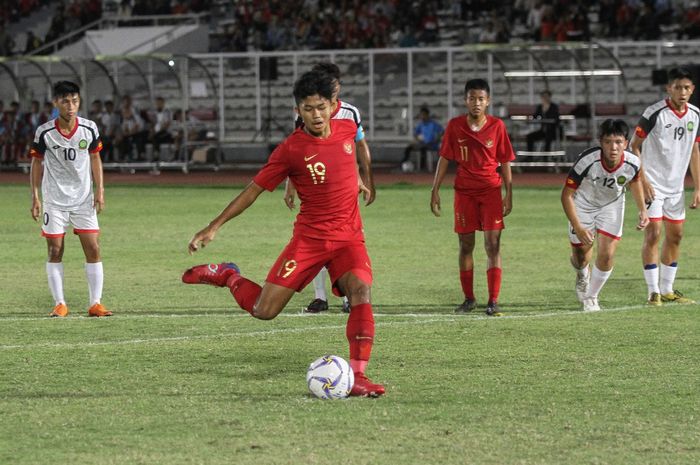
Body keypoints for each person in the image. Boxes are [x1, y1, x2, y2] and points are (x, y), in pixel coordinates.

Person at [182, 70, 384, 397]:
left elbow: (349, 161)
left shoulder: (348, 129)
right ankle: (228, 275)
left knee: (361, 292)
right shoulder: (291, 149)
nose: (315, 115)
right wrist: (214, 226)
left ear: (334, 105)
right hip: (310, 240)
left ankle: (358, 376)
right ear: (297, 111)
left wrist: (358, 178)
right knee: (264, 310)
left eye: (321, 107)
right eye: (307, 109)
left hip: (349, 238)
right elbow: (253, 190)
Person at [284, 62, 376, 314]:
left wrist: (365, 178)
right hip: (315, 186)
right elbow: (297, 152)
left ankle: (348, 296)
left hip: (344, 188)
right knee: (319, 239)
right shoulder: (305, 115)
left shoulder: (349, 113)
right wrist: (290, 186)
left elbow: (359, 147)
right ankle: (320, 297)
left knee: (345, 240)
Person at [431, 78, 515, 316]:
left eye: (481, 99)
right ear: (465, 100)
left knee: (493, 245)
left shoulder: (497, 126)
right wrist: (434, 189)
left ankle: (493, 300)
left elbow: (506, 160)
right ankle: (469, 299)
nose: (476, 103)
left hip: (490, 192)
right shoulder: (455, 125)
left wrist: (509, 194)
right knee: (466, 245)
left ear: (488, 101)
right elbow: (445, 158)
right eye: (472, 98)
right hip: (464, 193)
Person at [29, 80, 112, 318]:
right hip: (54, 200)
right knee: (55, 250)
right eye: (65, 101)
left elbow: (95, 158)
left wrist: (100, 190)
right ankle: (60, 303)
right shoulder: (45, 132)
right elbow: (36, 163)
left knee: (93, 248)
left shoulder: (89, 128)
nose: (71, 106)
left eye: (75, 101)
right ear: (56, 103)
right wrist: (35, 197)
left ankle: (95, 303)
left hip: (83, 199)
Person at [629, 67, 700, 306]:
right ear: (668, 88)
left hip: (676, 188)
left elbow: (694, 150)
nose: (682, 92)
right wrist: (644, 180)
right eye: (678, 87)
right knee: (654, 234)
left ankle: (668, 289)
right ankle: (653, 292)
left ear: (693, 90)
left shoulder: (695, 114)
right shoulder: (655, 113)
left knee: (676, 235)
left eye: (687, 88)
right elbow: (634, 146)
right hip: (654, 185)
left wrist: (698, 187)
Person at [562, 119, 649, 311]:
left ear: (626, 143)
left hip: (611, 205)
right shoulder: (587, 160)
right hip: (583, 204)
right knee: (581, 254)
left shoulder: (633, 162)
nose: (613, 147)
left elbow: (634, 181)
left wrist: (643, 210)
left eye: (618, 142)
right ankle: (583, 275)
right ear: (600, 142)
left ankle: (591, 296)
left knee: (607, 253)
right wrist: (578, 226)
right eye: (608, 142)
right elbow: (566, 195)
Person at [401, 106, 443, 172]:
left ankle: (422, 168)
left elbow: (442, 131)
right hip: (423, 143)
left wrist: (437, 139)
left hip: (432, 144)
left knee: (423, 148)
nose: (422, 117)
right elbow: (415, 133)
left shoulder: (433, 124)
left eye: (423, 115)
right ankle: (403, 164)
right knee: (408, 148)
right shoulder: (421, 124)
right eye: (421, 115)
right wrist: (418, 139)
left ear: (427, 115)